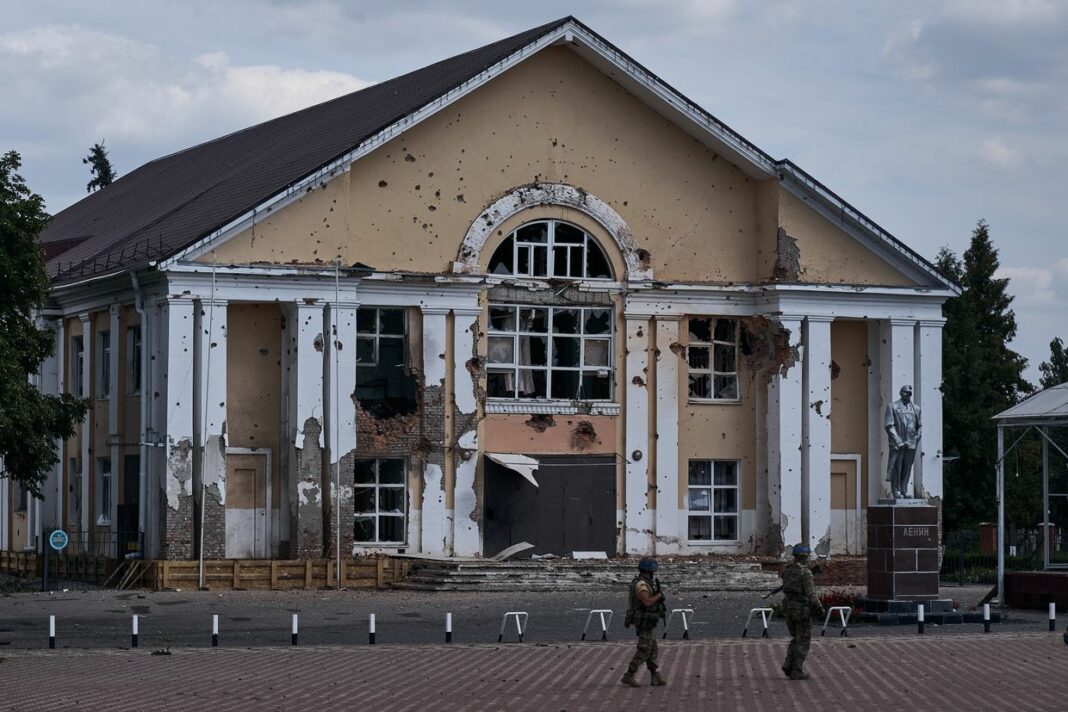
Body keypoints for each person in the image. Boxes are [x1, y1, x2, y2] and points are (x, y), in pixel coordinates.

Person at [621, 558, 667, 687]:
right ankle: (629, 674)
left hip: (648, 620)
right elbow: (647, 602)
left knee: (652, 649)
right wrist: (659, 596)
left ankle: (655, 676)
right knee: (645, 649)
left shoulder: (646, 582)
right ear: (648, 571)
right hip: (643, 620)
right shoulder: (641, 585)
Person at [781, 544, 823, 680]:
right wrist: (819, 608)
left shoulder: (787, 570)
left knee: (795, 638)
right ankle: (797, 669)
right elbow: (811, 594)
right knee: (803, 640)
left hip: (789, 609)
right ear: (805, 557)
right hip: (802, 610)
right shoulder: (805, 573)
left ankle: (788, 664)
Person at [885, 384, 921, 498]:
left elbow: (919, 426)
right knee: (897, 467)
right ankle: (896, 490)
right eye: (905, 392)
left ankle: (904, 489)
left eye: (909, 393)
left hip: (911, 443)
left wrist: (916, 438)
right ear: (901, 393)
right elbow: (889, 425)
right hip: (898, 443)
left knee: (907, 466)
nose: (907, 395)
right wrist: (898, 440)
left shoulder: (916, 408)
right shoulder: (892, 406)